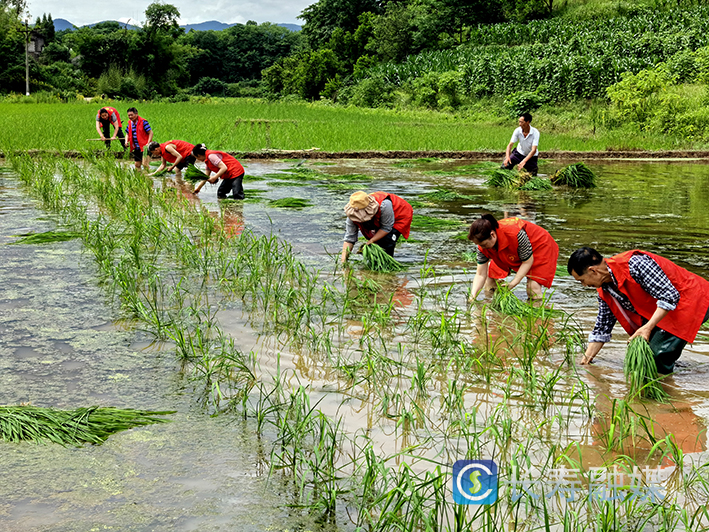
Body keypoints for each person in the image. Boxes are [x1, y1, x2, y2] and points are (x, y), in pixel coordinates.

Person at [567, 247, 709, 373]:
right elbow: (602, 327)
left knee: (656, 355)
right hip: (667, 308)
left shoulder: (636, 264)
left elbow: (669, 296)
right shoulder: (605, 290)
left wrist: (647, 328)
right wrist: (587, 360)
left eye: (582, 280)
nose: (584, 285)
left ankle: (664, 394)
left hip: (694, 300)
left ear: (593, 271)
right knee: (644, 356)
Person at [468, 214, 559, 299]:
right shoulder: (482, 245)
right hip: (506, 250)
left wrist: (513, 283)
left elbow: (527, 261)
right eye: (478, 245)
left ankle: (536, 312)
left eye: (483, 244)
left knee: (533, 288)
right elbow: (480, 274)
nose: (481, 248)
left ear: (492, 235)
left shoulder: (516, 234)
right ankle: (493, 305)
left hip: (539, 246)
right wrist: (472, 297)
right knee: (490, 277)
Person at [341, 191, 413, 264]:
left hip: (398, 215)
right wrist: (343, 261)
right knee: (376, 242)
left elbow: (386, 228)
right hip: (381, 218)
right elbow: (349, 238)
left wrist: (371, 241)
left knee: (387, 241)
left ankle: (387, 265)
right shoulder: (351, 215)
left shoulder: (384, 205)